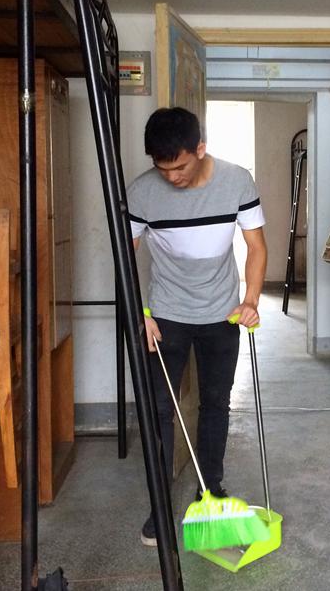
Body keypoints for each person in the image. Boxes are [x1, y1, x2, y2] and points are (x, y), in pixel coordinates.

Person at [127, 107, 267, 547]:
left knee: (215, 404)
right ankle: (159, 505)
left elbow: (256, 246)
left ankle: (211, 489)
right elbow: (125, 253)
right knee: (160, 409)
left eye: (180, 167)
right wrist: (140, 313)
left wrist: (250, 301)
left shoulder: (237, 181)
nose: (172, 178)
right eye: (162, 169)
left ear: (200, 149)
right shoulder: (141, 193)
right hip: (166, 314)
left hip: (222, 312)